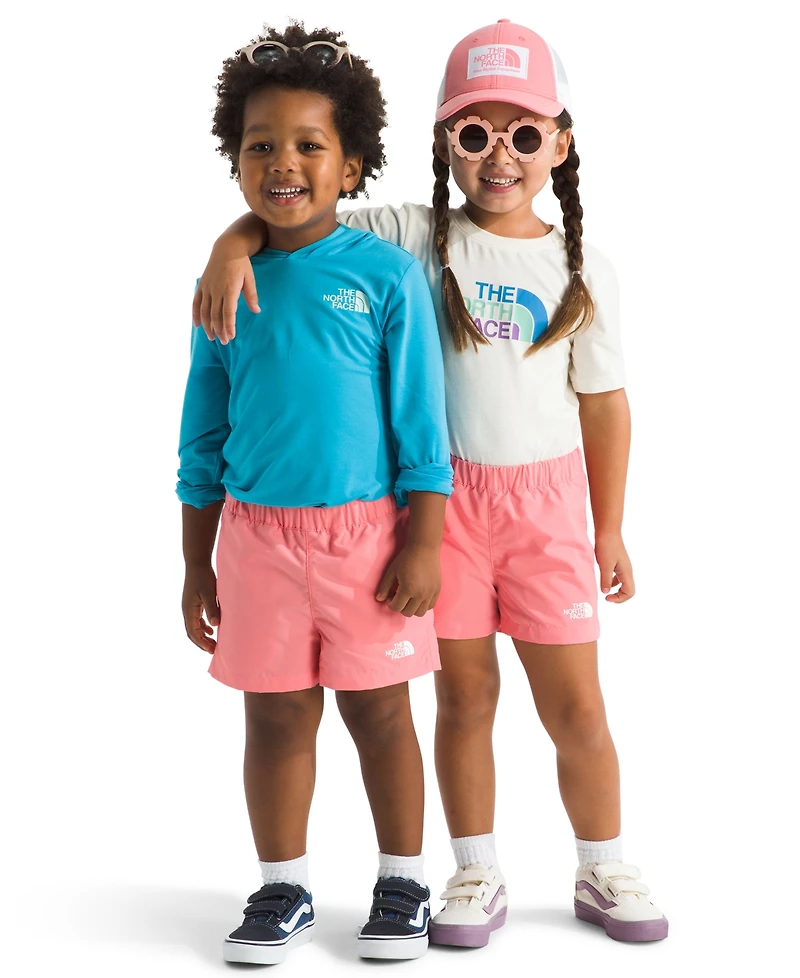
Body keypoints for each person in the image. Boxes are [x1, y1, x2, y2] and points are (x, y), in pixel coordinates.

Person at [191, 19, 668, 945]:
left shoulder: (583, 268)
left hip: (545, 508)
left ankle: (603, 862)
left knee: (576, 703)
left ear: (560, 144)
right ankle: (473, 870)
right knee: (464, 696)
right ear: (445, 141)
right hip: (439, 508)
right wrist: (227, 245)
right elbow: (296, 213)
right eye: (475, 133)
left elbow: (606, 407)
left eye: (523, 134)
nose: (499, 156)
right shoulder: (415, 233)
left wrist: (609, 528)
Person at [177, 23, 453, 964]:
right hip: (255, 541)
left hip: (366, 541)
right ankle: (282, 887)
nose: (283, 163)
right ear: (236, 161)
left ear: (352, 165)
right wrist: (196, 562)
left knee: (381, 714)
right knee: (276, 716)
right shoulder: (224, 281)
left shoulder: (386, 276)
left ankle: (404, 881)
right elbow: (202, 434)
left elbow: (421, 424)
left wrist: (423, 541)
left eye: (308, 145)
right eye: (260, 145)